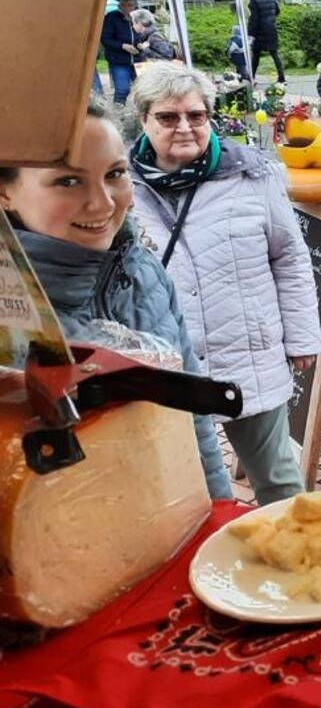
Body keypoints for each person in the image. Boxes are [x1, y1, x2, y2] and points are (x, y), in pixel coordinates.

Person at [0, 98, 232, 501]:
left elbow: (192, 416)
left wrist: (218, 505)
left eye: (115, 174)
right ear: (5, 194)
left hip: (173, 521)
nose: (104, 202)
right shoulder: (11, 318)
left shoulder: (143, 270)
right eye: (68, 181)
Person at [128, 63, 321, 506]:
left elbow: (289, 258)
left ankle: (298, 562)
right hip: (165, 359)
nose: (185, 127)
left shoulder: (253, 176)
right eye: (168, 117)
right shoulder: (120, 186)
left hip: (246, 349)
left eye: (196, 116)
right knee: (183, 485)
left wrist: (302, 336)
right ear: (143, 119)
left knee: (277, 479)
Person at [99, 0, 141, 104]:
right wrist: (123, 46)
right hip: (118, 60)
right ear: (119, 6)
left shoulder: (140, 17)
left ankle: (144, 114)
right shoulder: (111, 17)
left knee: (144, 90)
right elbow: (105, 39)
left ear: (135, 5)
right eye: (124, 5)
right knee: (122, 90)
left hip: (139, 60)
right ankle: (118, 116)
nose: (127, 8)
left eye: (130, 5)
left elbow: (147, 34)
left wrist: (142, 44)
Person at [244, 0, 284, 82]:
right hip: (271, 28)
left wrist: (250, 34)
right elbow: (277, 11)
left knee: (256, 55)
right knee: (274, 54)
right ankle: (282, 77)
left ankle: (251, 77)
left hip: (259, 31)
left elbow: (254, 19)